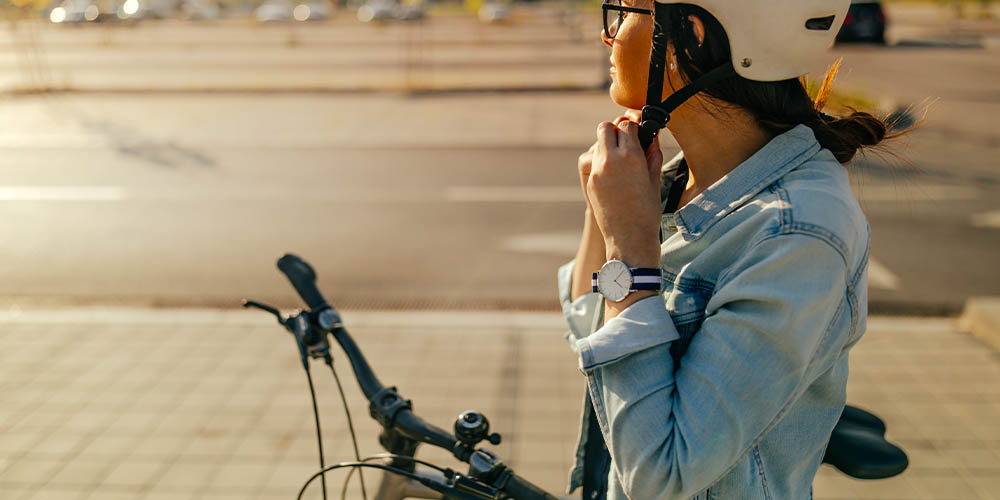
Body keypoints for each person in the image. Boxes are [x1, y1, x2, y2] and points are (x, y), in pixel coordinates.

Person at [556, 0, 905, 498]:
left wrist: (629, 249)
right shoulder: (678, 181)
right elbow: (587, 328)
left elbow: (661, 474)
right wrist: (603, 208)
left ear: (689, 38)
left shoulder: (796, 233)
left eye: (627, 10)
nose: (610, 36)